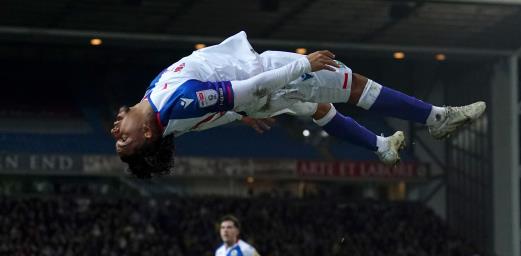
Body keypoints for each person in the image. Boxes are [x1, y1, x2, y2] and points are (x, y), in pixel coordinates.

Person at [110, 31, 486, 178]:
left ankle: (380, 146)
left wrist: (239, 114)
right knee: (351, 85)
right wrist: (302, 65)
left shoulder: (153, 103)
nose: (116, 132)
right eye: (124, 141)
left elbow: (204, 112)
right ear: (145, 133)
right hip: (264, 74)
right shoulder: (176, 102)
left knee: (318, 109)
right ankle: (436, 117)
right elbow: (249, 87)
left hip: (254, 98)